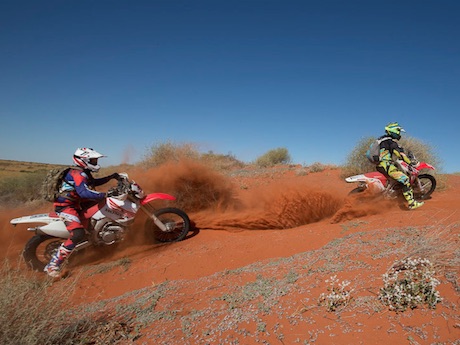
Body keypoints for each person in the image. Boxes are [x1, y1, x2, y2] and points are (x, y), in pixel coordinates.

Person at [44, 148, 119, 278]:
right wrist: (105, 194)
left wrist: (112, 177)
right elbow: (84, 192)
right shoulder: (79, 174)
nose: (95, 162)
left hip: (77, 203)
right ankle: (53, 265)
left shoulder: (82, 172)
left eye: (95, 160)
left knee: (101, 209)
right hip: (66, 206)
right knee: (77, 234)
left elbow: (93, 183)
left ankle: (97, 236)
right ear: (84, 160)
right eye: (93, 160)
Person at [375, 122, 424, 210]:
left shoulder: (382, 140)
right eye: (398, 131)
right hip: (387, 166)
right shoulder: (392, 142)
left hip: (381, 165)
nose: (399, 133)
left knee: (395, 178)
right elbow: (400, 154)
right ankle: (412, 203)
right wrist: (410, 162)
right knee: (405, 180)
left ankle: (391, 193)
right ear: (394, 131)